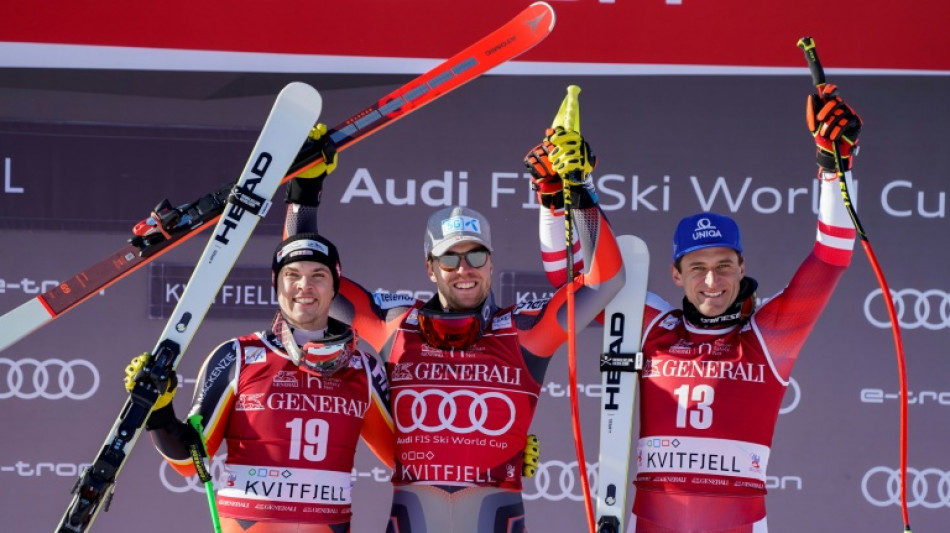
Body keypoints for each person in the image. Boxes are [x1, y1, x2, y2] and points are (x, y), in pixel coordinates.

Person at [543, 86, 862, 531]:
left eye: (723, 266)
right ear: (676, 274)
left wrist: (836, 167)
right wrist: (564, 193)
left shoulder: (768, 334)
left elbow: (831, 256)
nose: (712, 282)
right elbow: (570, 281)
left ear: (742, 266)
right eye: (697, 268)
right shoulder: (653, 323)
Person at [282, 126, 625, 532]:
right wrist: (305, 189)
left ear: (492, 262)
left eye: (476, 255)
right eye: (449, 259)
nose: (465, 269)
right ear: (430, 268)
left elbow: (605, 283)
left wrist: (579, 192)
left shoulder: (524, 332)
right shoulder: (397, 327)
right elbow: (304, 269)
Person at [128, 133, 395, 533]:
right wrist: (159, 411)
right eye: (292, 275)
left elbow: (407, 456)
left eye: (317, 276)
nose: (304, 286)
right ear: (276, 283)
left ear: (336, 285)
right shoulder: (237, 356)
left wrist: (505, 457)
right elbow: (190, 461)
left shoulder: (361, 364)